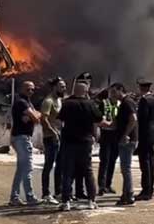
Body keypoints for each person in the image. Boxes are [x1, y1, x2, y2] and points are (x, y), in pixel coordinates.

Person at [58, 78, 106, 211]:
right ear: (86, 92)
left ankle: (66, 202)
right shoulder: (90, 104)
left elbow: (60, 121)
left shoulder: (67, 103)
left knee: (68, 172)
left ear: (74, 91)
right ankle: (91, 201)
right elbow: (99, 120)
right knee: (88, 171)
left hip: (69, 142)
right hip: (85, 142)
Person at [9, 81, 42, 207]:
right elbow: (37, 118)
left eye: (33, 89)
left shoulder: (27, 102)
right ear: (22, 89)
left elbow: (37, 115)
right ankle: (30, 197)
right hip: (22, 139)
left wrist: (33, 116)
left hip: (21, 138)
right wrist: (33, 116)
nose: (31, 92)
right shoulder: (21, 102)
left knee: (21, 169)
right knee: (27, 168)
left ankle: (15, 197)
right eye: (28, 89)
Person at [109, 82, 138, 206]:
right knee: (124, 168)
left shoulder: (127, 102)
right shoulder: (123, 103)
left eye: (114, 92)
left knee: (126, 168)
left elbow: (133, 119)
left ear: (121, 90)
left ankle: (129, 195)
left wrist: (126, 134)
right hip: (125, 140)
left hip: (127, 141)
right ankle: (125, 194)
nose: (112, 94)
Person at [40, 77, 66, 204]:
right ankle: (46, 193)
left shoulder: (60, 100)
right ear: (54, 87)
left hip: (60, 136)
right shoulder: (48, 101)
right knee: (49, 165)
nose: (64, 88)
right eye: (61, 86)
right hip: (50, 138)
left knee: (60, 165)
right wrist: (53, 132)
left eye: (64, 86)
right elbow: (43, 119)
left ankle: (59, 192)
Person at [135, 79, 154, 201]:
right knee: (151, 163)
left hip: (145, 134)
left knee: (145, 164)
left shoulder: (144, 100)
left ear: (142, 88)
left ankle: (146, 190)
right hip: (153, 133)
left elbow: (142, 118)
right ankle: (150, 189)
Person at [96, 88, 119, 196]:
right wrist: (110, 124)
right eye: (112, 92)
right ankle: (101, 186)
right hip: (106, 135)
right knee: (104, 161)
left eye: (116, 92)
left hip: (116, 136)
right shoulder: (103, 103)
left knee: (112, 161)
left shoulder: (120, 103)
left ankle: (108, 184)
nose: (114, 94)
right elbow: (99, 120)